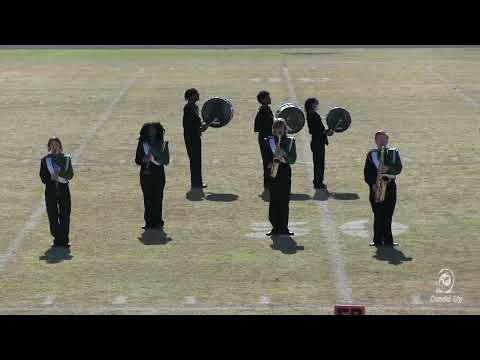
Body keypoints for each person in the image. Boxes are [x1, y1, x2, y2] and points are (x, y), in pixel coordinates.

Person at [364, 130, 403, 246]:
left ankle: (388, 241)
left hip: (390, 187)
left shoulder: (393, 153)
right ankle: (377, 240)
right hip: (376, 187)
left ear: (387, 140)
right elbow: (367, 173)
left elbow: (399, 168)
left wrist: (388, 169)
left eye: (384, 138)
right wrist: (373, 184)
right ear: (375, 141)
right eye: (379, 139)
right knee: (378, 214)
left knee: (388, 214)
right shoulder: (372, 155)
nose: (382, 141)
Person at [261, 118, 297, 236]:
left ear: (285, 129)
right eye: (276, 128)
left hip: (285, 171)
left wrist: (284, 154)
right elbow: (266, 157)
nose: (278, 130)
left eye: (281, 127)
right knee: (274, 199)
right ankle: (275, 227)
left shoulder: (290, 141)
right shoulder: (269, 141)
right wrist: (269, 163)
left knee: (284, 199)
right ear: (273, 130)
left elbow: (293, 159)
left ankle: (284, 227)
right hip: (273, 172)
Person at [39, 137, 74, 247]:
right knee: (52, 216)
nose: (54, 147)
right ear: (49, 147)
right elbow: (43, 177)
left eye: (56, 144)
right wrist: (51, 178)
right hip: (50, 192)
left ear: (60, 146)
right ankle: (57, 238)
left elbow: (70, 175)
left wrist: (61, 173)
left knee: (65, 215)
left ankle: (65, 240)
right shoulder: (45, 160)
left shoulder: (66, 159)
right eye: (52, 145)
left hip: (64, 191)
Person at [135, 122, 170, 230]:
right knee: (148, 198)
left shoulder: (161, 143)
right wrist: (143, 159)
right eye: (149, 130)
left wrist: (155, 157)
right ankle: (149, 222)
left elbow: (166, 160)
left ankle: (158, 222)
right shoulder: (142, 143)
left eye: (153, 129)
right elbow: (137, 159)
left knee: (158, 198)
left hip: (159, 175)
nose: (151, 132)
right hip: (146, 175)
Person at [305, 98, 334, 189]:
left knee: (319, 163)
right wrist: (327, 132)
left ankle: (318, 182)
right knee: (319, 164)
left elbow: (318, 130)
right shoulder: (313, 115)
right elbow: (316, 131)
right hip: (318, 142)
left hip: (317, 141)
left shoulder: (312, 114)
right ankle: (318, 183)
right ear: (311, 105)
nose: (317, 105)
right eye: (315, 104)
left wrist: (327, 131)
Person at [183, 88, 207, 189]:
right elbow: (189, 126)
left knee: (196, 160)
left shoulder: (194, 107)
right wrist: (200, 129)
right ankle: (196, 184)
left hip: (195, 137)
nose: (198, 95)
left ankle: (197, 182)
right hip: (191, 138)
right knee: (195, 160)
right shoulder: (188, 109)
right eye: (197, 94)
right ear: (191, 96)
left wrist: (202, 126)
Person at [254, 90, 274, 191]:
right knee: (268, 161)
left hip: (269, 138)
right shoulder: (262, 112)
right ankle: (268, 183)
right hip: (266, 139)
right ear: (263, 100)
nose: (270, 98)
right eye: (268, 97)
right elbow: (257, 128)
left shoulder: (267, 110)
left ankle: (271, 181)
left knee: (272, 160)